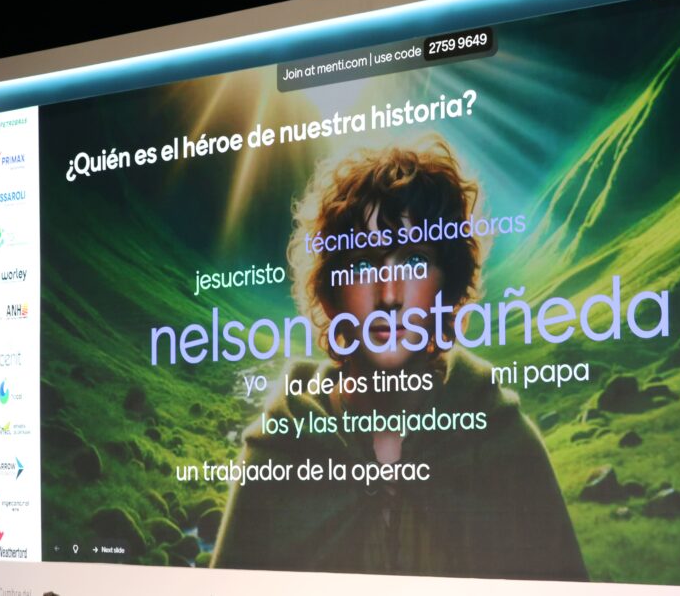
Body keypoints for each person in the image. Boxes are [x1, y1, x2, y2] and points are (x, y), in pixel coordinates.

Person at [212, 136, 587, 580]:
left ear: (448, 285)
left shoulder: (504, 443)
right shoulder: (281, 448)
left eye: (414, 261)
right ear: (330, 292)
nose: (389, 295)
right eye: (362, 264)